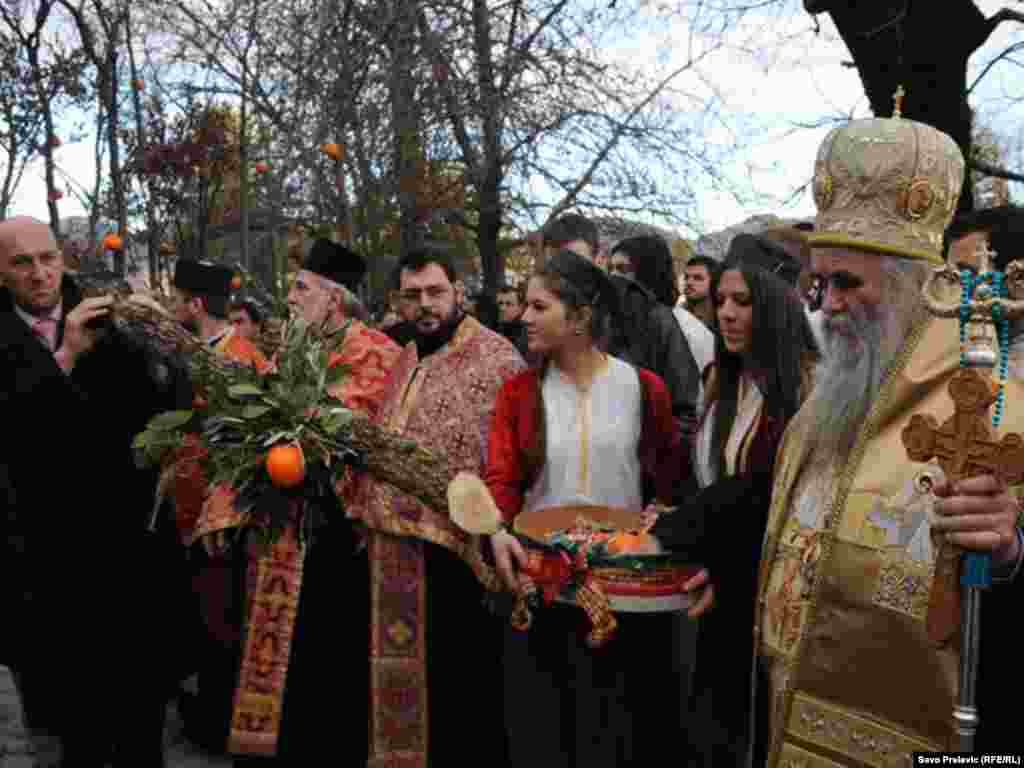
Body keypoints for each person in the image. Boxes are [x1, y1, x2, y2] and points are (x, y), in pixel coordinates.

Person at [749, 113, 1024, 765]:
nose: (827, 304)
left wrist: (1012, 549)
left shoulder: (993, 402)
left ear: (907, 284)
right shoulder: (828, 397)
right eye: (821, 282)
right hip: (787, 723)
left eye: (848, 283)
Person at [484, 249, 708, 768]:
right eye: (524, 306)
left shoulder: (642, 389)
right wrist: (497, 531)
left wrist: (662, 517)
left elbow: (671, 482)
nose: (524, 317)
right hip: (542, 591)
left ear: (580, 317)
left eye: (539, 306)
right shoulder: (519, 394)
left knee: (616, 735)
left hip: (626, 597)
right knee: (546, 733)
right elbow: (502, 481)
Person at [0, 216, 193, 767]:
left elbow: (168, 411)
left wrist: (164, 343)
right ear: (0, 272)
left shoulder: (113, 322)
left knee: (140, 729)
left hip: (129, 562)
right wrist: (65, 360)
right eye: (21, 263)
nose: (40, 275)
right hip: (43, 571)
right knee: (70, 736)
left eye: (48, 259)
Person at [346, 245, 525, 767]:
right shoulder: (405, 356)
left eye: (435, 292)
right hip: (391, 550)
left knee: (459, 692)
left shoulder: (497, 359)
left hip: (457, 553)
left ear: (458, 293)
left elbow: (509, 460)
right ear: (398, 301)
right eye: (412, 295)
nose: (424, 304)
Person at [651, 232, 818, 766]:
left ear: (774, 307)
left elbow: (779, 496)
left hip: (765, 583)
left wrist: (709, 536)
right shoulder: (721, 381)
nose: (725, 313)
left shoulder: (807, 390)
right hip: (711, 575)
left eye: (742, 302)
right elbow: (711, 478)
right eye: (721, 301)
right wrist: (681, 512)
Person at [608, 235, 710, 418]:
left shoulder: (684, 329)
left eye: (623, 269)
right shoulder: (609, 323)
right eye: (611, 269)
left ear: (647, 271)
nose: (614, 277)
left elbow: (689, 407)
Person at [682, 255, 719, 329]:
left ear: (714, 282)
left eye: (698, 278)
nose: (689, 282)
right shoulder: (675, 317)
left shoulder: (723, 319)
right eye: (686, 277)